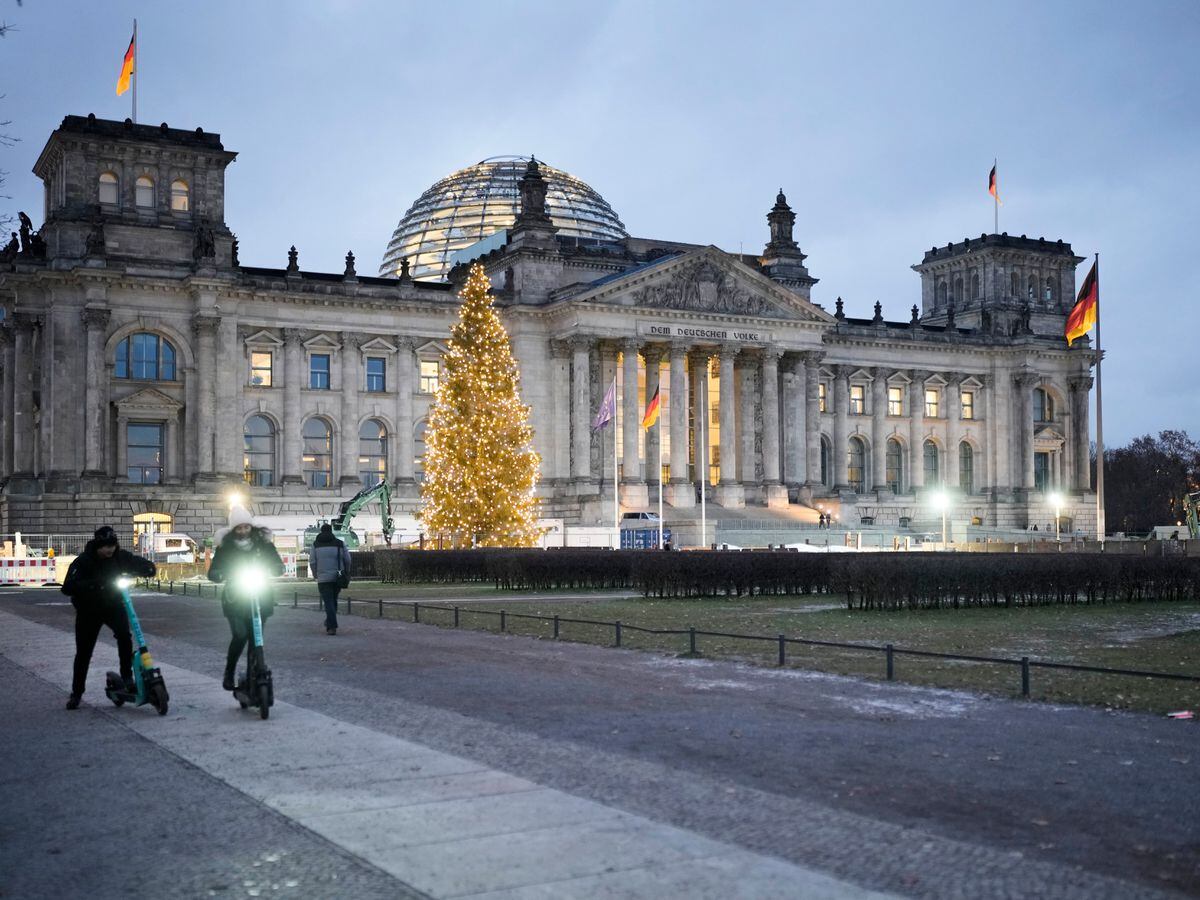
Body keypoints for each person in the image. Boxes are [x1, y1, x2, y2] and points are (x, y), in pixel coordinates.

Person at [60, 526, 156, 709]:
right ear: (98, 546)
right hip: (89, 610)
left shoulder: (120, 556)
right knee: (84, 652)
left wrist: (149, 569)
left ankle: (127, 676)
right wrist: (95, 585)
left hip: (113, 606)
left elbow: (136, 562)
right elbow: (67, 587)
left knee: (124, 636)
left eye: (113, 545)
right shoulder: (84, 561)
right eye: (106, 546)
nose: (110, 549)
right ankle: (77, 693)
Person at [207, 507, 284, 690]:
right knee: (240, 635)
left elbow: (275, 560)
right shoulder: (226, 547)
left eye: (246, 527)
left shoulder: (263, 544)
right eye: (239, 528)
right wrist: (218, 573)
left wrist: (277, 567)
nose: (243, 531)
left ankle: (253, 675)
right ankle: (229, 671)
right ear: (233, 530)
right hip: (236, 597)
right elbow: (214, 569)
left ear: (251, 527)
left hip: (260, 594)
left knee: (256, 638)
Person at [308, 523, 351, 635]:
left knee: (328, 602)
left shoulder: (315, 545)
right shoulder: (340, 544)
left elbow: (312, 561)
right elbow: (347, 560)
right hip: (337, 578)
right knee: (333, 601)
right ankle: (329, 622)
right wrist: (346, 571)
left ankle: (332, 626)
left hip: (323, 579)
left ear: (321, 531)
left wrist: (315, 574)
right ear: (331, 531)